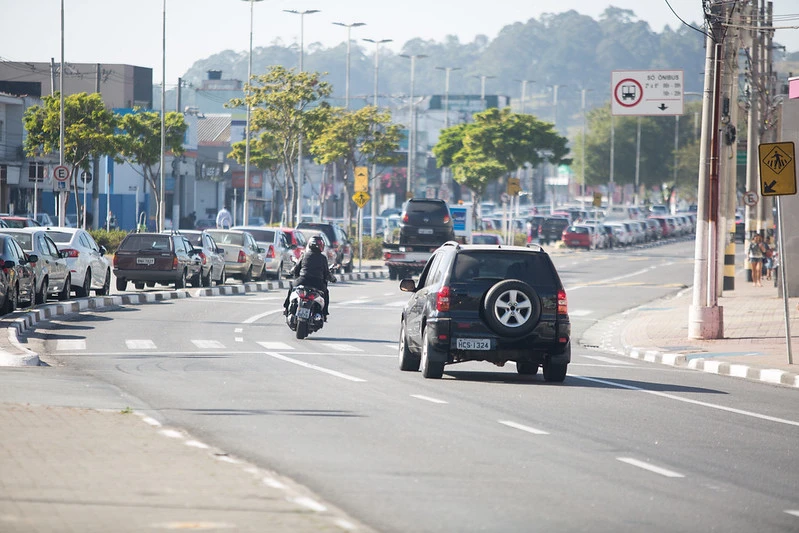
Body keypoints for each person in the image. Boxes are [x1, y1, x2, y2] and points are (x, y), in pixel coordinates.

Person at [283, 235, 335, 320]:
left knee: (292, 287)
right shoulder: (323, 258)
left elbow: (296, 269)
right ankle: (324, 313)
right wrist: (333, 279)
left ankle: (286, 308)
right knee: (325, 293)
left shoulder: (304, 255)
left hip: (302, 280)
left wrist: (294, 274)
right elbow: (327, 273)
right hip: (317, 283)